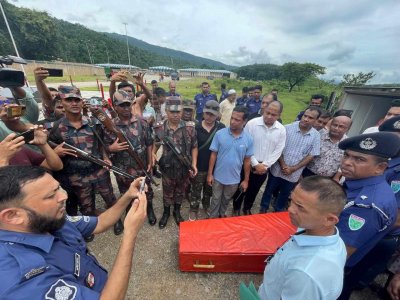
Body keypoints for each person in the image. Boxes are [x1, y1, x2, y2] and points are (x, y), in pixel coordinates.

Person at [0, 165, 147, 299]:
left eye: (58, 188)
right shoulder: (19, 279)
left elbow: (100, 223)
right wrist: (130, 233)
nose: (64, 196)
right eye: (51, 196)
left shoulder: (49, 219)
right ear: (13, 216)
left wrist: (128, 195)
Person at [48, 86, 123, 235]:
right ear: (62, 102)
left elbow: (101, 143)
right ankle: (89, 227)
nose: (74, 103)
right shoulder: (57, 127)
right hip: (76, 175)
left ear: (82, 102)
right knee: (86, 205)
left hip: (99, 170)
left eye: (77, 100)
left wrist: (106, 158)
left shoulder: (92, 123)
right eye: (69, 100)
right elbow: (49, 146)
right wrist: (56, 152)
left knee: (110, 198)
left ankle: (116, 220)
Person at [258, 176, 347, 300]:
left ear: (329, 219)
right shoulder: (318, 231)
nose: (290, 209)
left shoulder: (305, 273)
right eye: (291, 200)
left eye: (300, 207)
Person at [336, 132, 400, 299]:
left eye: (359, 159)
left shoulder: (365, 205)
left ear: (380, 168)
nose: (347, 162)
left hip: (337, 265)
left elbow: (340, 252)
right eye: (346, 155)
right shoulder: (361, 183)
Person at [104, 90, 156, 226]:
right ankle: (129, 212)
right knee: (126, 193)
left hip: (142, 166)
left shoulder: (141, 122)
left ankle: (149, 209)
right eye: (122, 105)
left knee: (147, 190)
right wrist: (110, 149)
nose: (126, 108)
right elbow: (102, 148)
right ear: (115, 106)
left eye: (129, 104)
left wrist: (150, 160)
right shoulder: (110, 125)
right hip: (123, 170)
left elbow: (149, 142)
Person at [260, 106, 321, 213]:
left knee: (285, 194)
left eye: (310, 118)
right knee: (269, 190)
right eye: (305, 116)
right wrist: (283, 165)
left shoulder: (316, 136)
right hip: (278, 169)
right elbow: (277, 148)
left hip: (294, 173)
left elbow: (311, 155)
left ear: (316, 121)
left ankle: (277, 212)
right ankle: (263, 209)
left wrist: (293, 169)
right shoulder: (286, 128)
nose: (306, 119)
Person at [233, 101, 286, 216]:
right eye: (267, 113)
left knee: (254, 189)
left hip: (264, 168)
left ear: (279, 115)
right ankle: (236, 208)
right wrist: (255, 164)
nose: (269, 116)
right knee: (241, 187)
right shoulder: (252, 124)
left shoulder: (281, 130)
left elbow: (278, 150)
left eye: (274, 115)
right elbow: (245, 144)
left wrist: (265, 165)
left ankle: (247, 208)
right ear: (264, 110)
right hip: (247, 163)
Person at [154, 98, 198, 228]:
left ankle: (177, 212)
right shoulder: (160, 128)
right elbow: (155, 144)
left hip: (184, 168)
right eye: (172, 112)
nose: (175, 114)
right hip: (167, 169)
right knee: (167, 192)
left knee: (180, 192)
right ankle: (166, 213)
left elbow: (194, 146)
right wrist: (153, 156)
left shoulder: (190, 128)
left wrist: (194, 164)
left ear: (182, 111)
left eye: (178, 112)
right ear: (166, 111)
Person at [207, 106, 253, 218]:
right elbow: (213, 155)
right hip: (218, 177)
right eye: (232, 118)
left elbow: (247, 161)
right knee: (215, 199)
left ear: (245, 121)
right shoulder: (220, 134)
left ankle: (222, 217)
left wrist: (246, 180)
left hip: (234, 180)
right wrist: (210, 174)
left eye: (237, 120)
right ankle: (212, 219)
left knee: (226, 200)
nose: (232, 122)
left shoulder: (248, 139)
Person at [189, 100, 225, 220]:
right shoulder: (196, 127)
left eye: (212, 114)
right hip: (198, 166)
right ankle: (194, 208)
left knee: (209, 189)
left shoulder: (221, 128)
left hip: (215, 167)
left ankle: (206, 205)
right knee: (196, 189)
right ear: (203, 113)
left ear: (217, 114)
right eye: (207, 113)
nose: (209, 117)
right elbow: (191, 147)